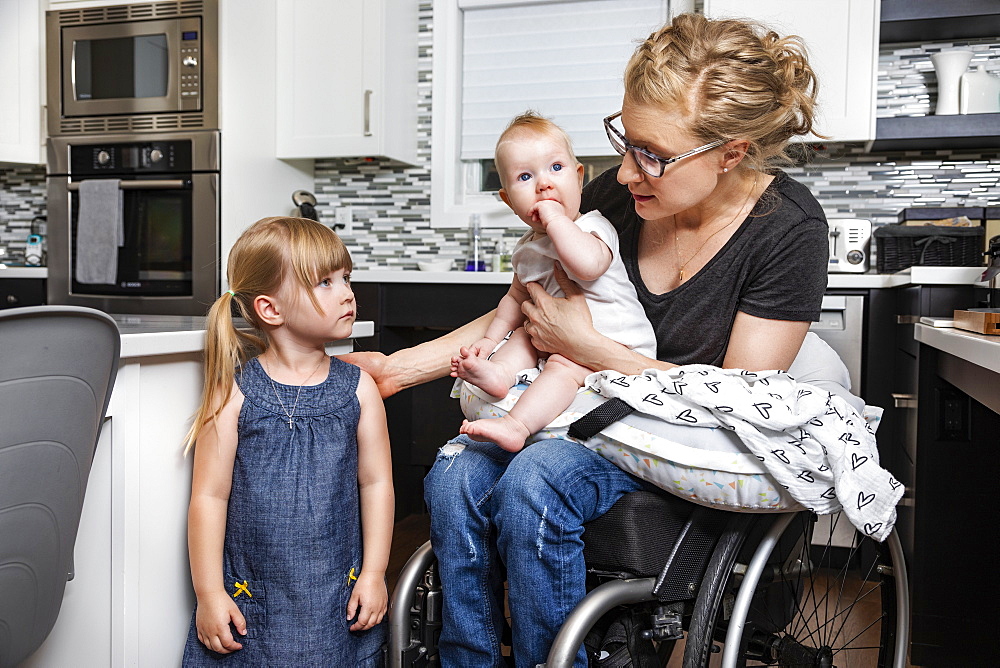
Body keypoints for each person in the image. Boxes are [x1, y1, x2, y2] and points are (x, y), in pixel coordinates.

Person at [346, 12, 828, 666]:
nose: (626, 173)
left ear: (730, 153)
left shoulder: (787, 231)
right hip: (580, 413)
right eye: (623, 140)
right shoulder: (625, 196)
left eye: (651, 154)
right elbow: (529, 307)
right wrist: (399, 370)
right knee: (457, 472)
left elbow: (734, 402)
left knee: (536, 478)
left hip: (677, 441)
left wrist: (592, 350)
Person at [181, 217, 392, 666]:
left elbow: (376, 485)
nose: (347, 292)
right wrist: (209, 593)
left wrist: (374, 573)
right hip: (254, 599)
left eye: (346, 278)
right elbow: (208, 496)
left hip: (335, 595)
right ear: (271, 309)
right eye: (324, 282)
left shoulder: (359, 389)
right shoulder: (233, 390)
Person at [452, 112, 656, 452]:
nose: (544, 184)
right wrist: (488, 344)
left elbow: (587, 266)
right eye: (525, 176)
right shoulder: (526, 249)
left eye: (556, 168)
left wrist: (555, 219)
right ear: (507, 199)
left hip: (616, 344)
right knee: (520, 336)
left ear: (579, 178)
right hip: (558, 340)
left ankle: (516, 425)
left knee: (562, 365)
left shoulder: (593, 227)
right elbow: (515, 300)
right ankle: (500, 374)